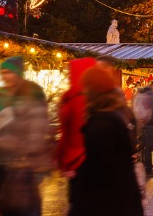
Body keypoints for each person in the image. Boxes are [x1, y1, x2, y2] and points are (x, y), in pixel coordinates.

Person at [69, 66, 144, 216]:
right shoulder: (120, 113)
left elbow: (98, 167)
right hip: (123, 196)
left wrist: (77, 181)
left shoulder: (102, 122)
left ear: (92, 90)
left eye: (85, 87)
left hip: (109, 200)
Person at [0, 56, 51, 215]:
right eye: (3, 72)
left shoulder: (32, 95)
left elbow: (36, 134)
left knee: (19, 205)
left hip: (19, 164)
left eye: (9, 72)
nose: (5, 76)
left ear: (19, 73)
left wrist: (6, 142)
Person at [55, 57, 97, 205]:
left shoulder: (71, 98)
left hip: (76, 161)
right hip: (93, 160)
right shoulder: (99, 98)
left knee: (79, 202)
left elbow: (67, 133)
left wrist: (61, 160)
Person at [133, 80, 153, 178]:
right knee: (149, 148)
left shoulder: (138, 95)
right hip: (151, 123)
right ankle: (149, 169)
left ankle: (142, 166)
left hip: (141, 124)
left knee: (143, 146)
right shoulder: (152, 95)